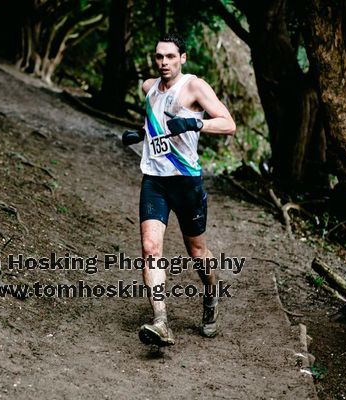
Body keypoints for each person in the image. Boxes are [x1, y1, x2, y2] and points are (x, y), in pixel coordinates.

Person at [122, 32, 236, 346]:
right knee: (150, 248)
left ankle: (211, 294)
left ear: (182, 58)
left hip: (186, 182)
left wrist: (195, 123)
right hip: (155, 180)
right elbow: (156, 123)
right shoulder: (149, 88)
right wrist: (140, 134)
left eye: (170, 57)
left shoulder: (194, 86)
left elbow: (228, 123)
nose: (164, 63)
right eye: (159, 57)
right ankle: (160, 322)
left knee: (197, 252)